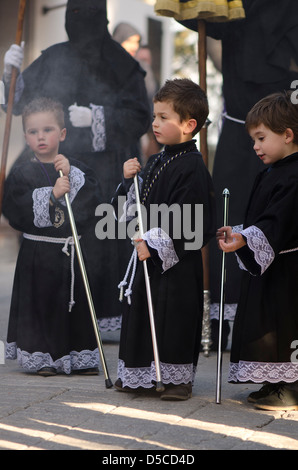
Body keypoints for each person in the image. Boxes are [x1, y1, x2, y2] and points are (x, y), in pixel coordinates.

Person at [3, 0, 151, 332]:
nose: (82, 24)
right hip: (61, 166)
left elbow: (140, 116)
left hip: (109, 170)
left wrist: (99, 117)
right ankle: (60, 312)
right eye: (76, 15)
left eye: (90, 16)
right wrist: (11, 74)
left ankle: (105, 314)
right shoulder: (54, 57)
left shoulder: (123, 64)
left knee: (102, 239)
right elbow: (19, 103)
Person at [179, 0, 298, 349]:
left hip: (286, 142)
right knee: (228, 221)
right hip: (237, 134)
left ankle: (276, 324)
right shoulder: (233, 5)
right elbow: (201, 19)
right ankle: (220, 322)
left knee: (280, 222)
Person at [112, 78, 216, 400]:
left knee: (173, 316)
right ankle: (140, 374)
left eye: (163, 117)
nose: (154, 123)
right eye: (154, 116)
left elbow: (194, 222)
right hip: (148, 257)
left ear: (189, 125)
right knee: (144, 314)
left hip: (176, 265)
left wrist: (154, 243)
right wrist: (129, 182)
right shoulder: (158, 159)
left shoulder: (192, 167)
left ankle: (176, 379)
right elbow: (136, 207)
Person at [3, 97, 102, 377]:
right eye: (33, 132)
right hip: (38, 254)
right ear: (26, 137)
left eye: (47, 130)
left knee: (72, 304)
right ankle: (42, 356)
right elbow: (13, 208)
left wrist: (72, 178)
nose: (40, 137)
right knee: (42, 304)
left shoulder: (77, 168)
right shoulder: (21, 172)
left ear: (62, 133)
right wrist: (51, 195)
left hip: (70, 252)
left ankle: (78, 357)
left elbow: (92, 202)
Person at [217, 91, 298, 411]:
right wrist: (240, 234)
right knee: (270, 325)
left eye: (262, 137)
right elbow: (263, 219)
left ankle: (292, 386)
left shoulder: (294, 174)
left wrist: (247, 238)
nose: (255, 146)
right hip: (273, 266)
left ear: (288, 135)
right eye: (253, 139)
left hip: (290, 269)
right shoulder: (272, 171)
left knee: (286, 325)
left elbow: (280, 220)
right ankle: (276, 379)